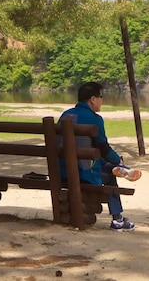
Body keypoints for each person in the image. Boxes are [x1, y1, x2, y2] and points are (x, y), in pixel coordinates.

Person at [59, 81, 138, 231]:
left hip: (62, 171)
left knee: (100, 161)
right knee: (110, 173)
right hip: (82, 173)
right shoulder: (95, 119)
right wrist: (117, 160)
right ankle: (118, 219)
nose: (102, 100)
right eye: (101, 97)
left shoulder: (65, 115)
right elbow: (104, 147)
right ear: (93, 99)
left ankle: (118, 167)